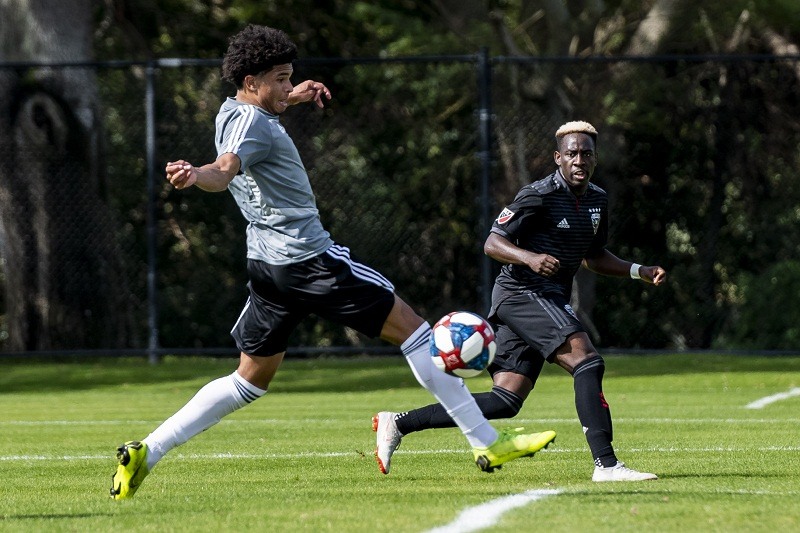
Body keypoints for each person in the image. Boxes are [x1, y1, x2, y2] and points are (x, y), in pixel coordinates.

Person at [109, 24, 556, 500]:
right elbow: (224, 169)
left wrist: (291, 96)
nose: (288, 85)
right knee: (417, 333)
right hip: (311, 260)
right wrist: (196, 175)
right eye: (280, 79)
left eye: (290, 76)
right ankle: (486, 441)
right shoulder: (252, 125)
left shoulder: (232, 110)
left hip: (269, 268)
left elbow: (247, 132)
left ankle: (147, 451)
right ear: (252, 82)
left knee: (249, 380)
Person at [373, 120, 667, 482]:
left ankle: (398, 423)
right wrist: (530, 258)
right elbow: (492, 243)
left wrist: (639, 270)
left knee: (505, 400)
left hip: (547, 298)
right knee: (587, 362)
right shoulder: (538, 194)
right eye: (572, 154)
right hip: (521, 293)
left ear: (595, 158)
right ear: (558, 158)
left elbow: (593, 256)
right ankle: (607, 465)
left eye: (586, 154)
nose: (579, 160)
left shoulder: (597, 199)